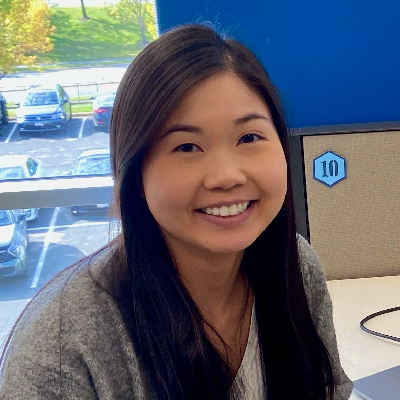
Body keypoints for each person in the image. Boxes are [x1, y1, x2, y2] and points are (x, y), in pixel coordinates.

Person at [0, 24, 353, 400]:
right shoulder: (62, 345)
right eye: (186, 147)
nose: (226, 176)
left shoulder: (295, 265)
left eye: (249, 137)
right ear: (134, 171)